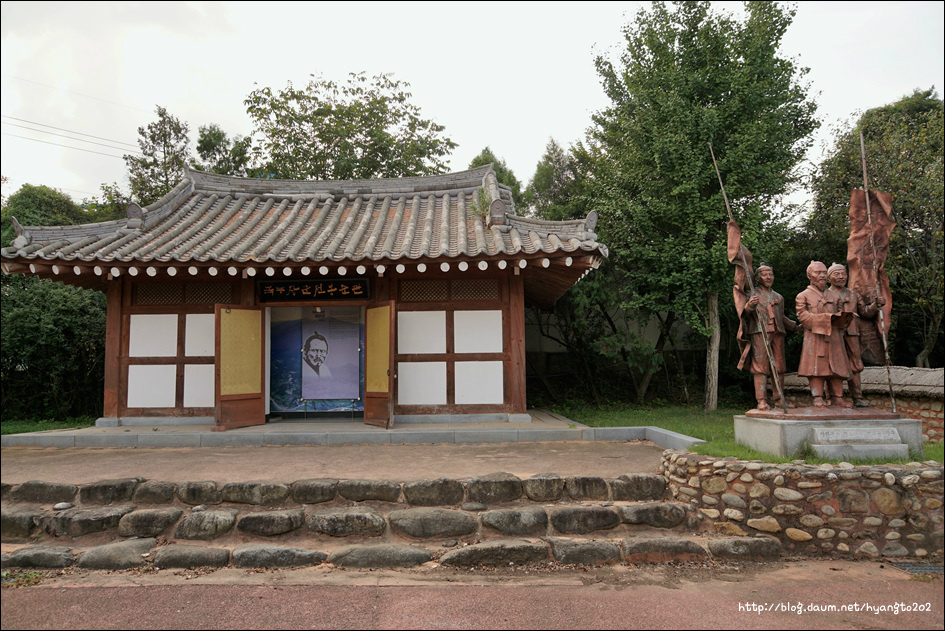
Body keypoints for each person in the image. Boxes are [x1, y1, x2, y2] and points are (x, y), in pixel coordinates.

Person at [825, 263, 885, 407]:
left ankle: (857, 397)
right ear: (829, 278)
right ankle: (831, 398)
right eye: (836, 274)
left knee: (856, 364)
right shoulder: (825, 295)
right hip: (833, 334)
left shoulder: (853, 294)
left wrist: (876, 305)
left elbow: (865, 312)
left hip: (852, 333)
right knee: (832, 364)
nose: (841, 277)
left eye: (843, 274)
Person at [796, 261, 853, 407]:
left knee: (837, 366)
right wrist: (825, 319)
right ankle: (818, 397)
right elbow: (802, 316)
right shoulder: (803, 296)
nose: (822, 275)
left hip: (834, 336)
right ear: (809, 275)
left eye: (823, 272)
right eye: (818, 272)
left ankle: (837, 397)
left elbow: (840, 312)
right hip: (816, 336)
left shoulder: (834, 295)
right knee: (816, 367)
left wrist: (844, 319)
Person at [740, 265, 796, 411]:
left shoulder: (778, 297)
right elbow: (743, 314)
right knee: (761, 366)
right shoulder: (752, 294)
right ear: (758, 278)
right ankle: (761, 400)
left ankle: (779, 399)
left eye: (771, 274)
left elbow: (782, 317)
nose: (769, 277)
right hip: (760, 331)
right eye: (765, 275)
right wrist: (749, 306)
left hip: (778, 331)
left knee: (780, 366)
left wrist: (795, 326)